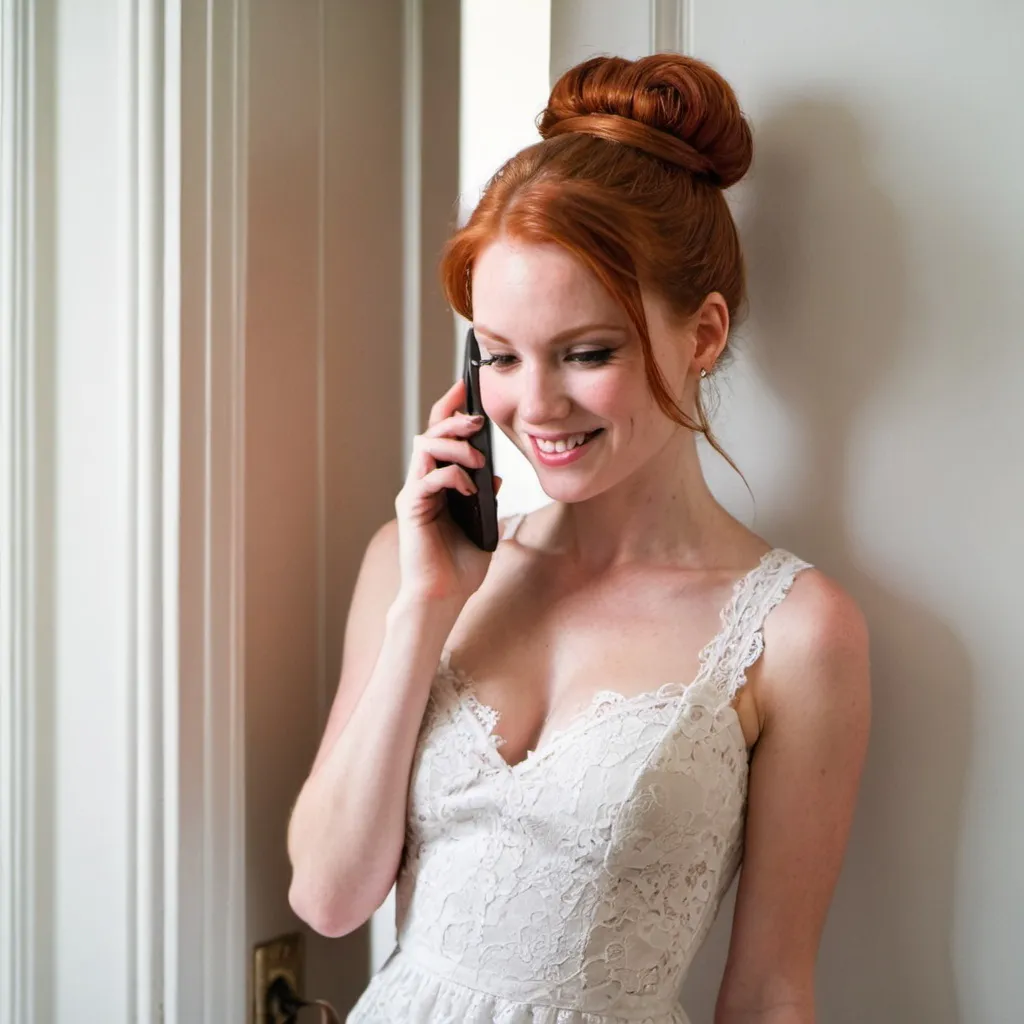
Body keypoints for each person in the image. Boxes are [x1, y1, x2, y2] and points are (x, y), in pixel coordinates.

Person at [287, 52, 871, 1024]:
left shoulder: (800, 634)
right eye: (500, 356)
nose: (536, 405)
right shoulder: (411, 567)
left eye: (587, 352)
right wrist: (425, 610)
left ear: (703, 334)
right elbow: (329, 899)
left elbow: (771, 992)